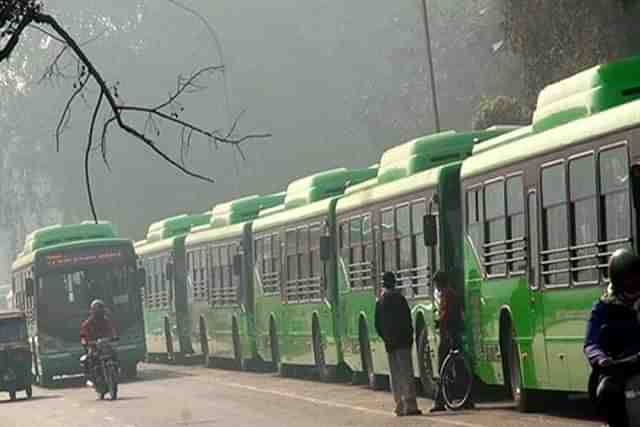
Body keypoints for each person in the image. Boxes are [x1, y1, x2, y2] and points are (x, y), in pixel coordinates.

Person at [585, 248, 640, 427]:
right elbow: (591, 343)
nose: (633, 283)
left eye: (636, 277)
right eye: (628, 279)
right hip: (619, 368)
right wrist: (601, 359)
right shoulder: (603, 307)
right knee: (607, 391)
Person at [374, 271, 422, 417]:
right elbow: (407, 320)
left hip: (390, 343)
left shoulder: (380, 301)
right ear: (394, 283)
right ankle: (410, 405)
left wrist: (386, 337)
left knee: (394, 374)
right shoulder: (400, 298)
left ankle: (399, 405)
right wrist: (410, 337)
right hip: (403, 342)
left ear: (384, 284)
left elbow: (377, 325)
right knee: (406, 372)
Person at [430, 271, 474, 412]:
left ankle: (440, 402)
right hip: (453, 335)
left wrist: (439, 322)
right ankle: (465, 400)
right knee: (458, 369)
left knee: (443, 370)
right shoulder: (450, 294)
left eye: (436, 284)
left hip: (449, 336)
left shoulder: (448, 295)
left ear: (439, 283)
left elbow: (446, 315)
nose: (436, 287)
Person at [80, 299, 118, 384]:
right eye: (97, 310)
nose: (99, 312)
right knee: (90, 358)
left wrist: (114, 337)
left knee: (114, 353)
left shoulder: (106, 320)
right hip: (94, 346)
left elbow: (112, 330)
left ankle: (115, 371)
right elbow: (83, 334)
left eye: (101, 309)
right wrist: (85, 342)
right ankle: (92, 378)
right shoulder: (87, 323)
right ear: (93, 311)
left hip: (104, 345)